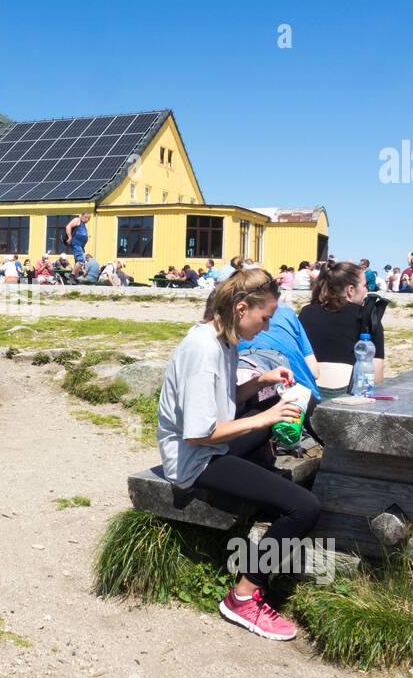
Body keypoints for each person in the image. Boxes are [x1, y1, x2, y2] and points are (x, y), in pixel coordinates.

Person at [158, 269, 320, 641]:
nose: (265, 328)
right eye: (265, 318)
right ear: (242, 308)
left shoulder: (222, 340)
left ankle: (264, 493)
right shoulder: (203, 350)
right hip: (194, 461)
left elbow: (224, 406)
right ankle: (243, 596)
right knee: (304, 508)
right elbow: (199, 433)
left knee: (275, 417)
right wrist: (266, 416)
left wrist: (260, 383)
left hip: (209, 446)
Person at [298, 262, 386, 398]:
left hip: (309, 394)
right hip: (349, 395)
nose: (366, 290)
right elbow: (377, 378)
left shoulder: (306, 313)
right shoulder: (367, 319)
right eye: (364, 285)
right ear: (351, 290)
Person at [239, 300, 322, 401]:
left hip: (244, 401)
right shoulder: (285, 310)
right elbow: (314, 371)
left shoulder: (226, 338)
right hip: (302, 400)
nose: (266, 328)